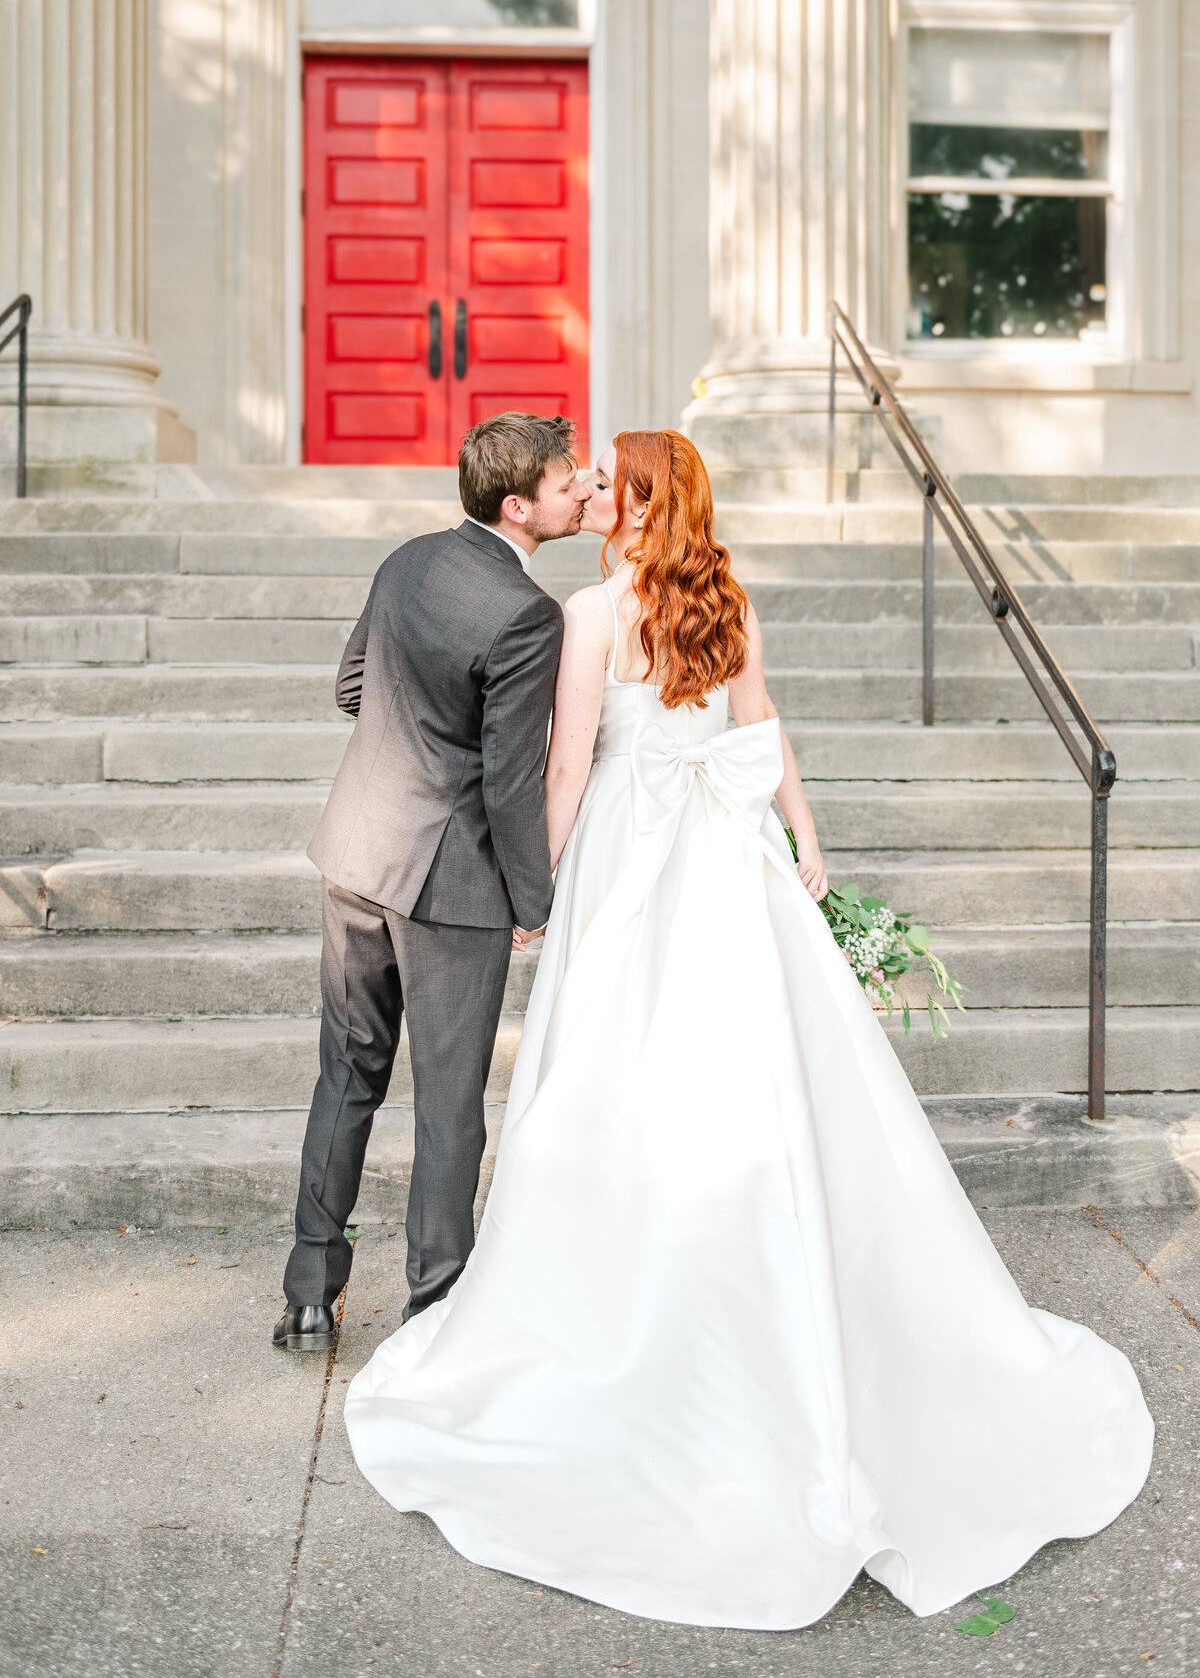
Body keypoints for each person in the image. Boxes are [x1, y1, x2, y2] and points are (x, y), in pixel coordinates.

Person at [342, 429, 1154, 1629]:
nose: (598, 495)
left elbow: (565, 776)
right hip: (726, 863)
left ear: (637, 507)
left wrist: (538, 897)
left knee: (614, 1082)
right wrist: (805, 837)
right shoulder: (727, 600)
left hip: (632, 855)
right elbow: (761, 733)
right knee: (759, 1074)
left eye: (611, 484)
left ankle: (624, 1329)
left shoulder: (589, 619)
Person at [274, 412, 591, 1354]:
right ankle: (434, 1313)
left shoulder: (407, 562)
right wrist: (533, 902)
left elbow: (349, 690)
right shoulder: (529, 614)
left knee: (347, 1074)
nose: (582, 490)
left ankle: (306, 1293)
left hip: (355, 853)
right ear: (518, 504)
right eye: (568, 480)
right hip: (450, 882)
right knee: (450, 1100)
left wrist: (406, 749)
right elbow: (507, 777)